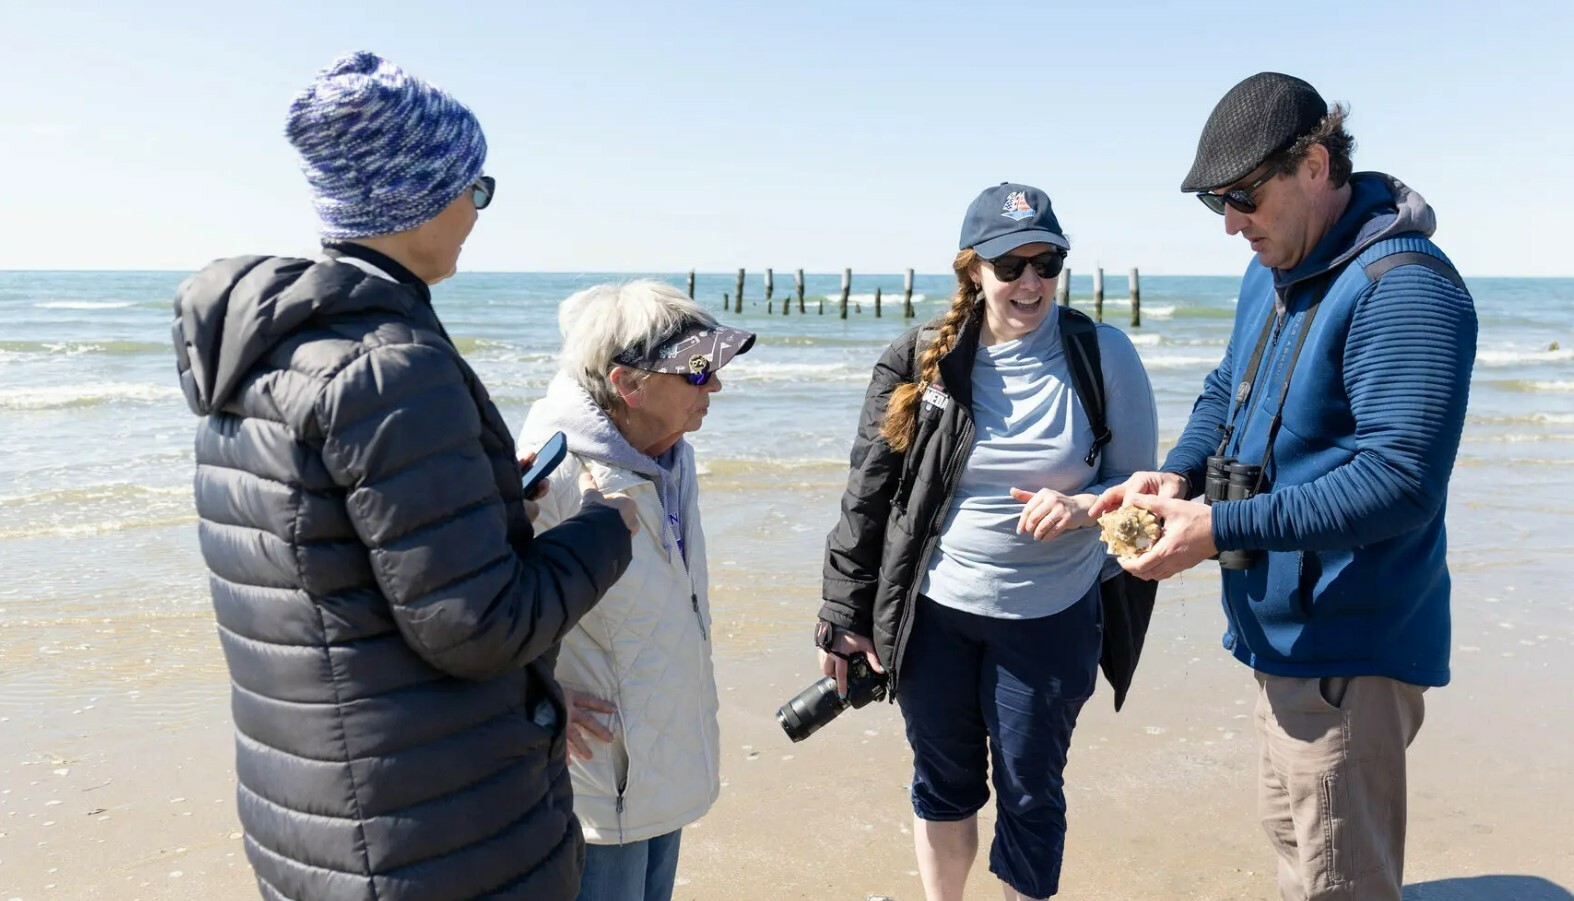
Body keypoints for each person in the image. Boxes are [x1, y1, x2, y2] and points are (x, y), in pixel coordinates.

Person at [171, 51, 639, 901]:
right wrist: (606, 530)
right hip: (437, 837)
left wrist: (495, 500)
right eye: (474, 187)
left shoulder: (257, 360)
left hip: (315, 817)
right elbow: (479, 624)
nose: (477, 211)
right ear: (415, 196)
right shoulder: (391, 364)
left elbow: (337, 569)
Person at [1092, 73, 1478, 901]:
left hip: (1348, 653)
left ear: (1313, 163)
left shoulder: (1405, 288)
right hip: (1282, 640)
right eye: (1214, 204)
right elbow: (1223, 390)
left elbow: (1400, 481)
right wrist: (1179, 472)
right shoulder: (1275, 268)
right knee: (1300, 866)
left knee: (1341, 881)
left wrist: (1220, 526)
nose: (1230, 223)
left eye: (1240, 196)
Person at [817, 183, 1158, 901]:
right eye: (1010, 266)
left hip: (1053, 618)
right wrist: (841, 614)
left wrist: (1086, 505)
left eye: (1046, 262)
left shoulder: (1104, 357)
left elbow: (1146, 498)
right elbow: (867, 493)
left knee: (1031, 794)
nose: (1030, 282)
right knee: (942, 784)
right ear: (974, 270)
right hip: (934, 614)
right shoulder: (920, 361)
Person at [518, 280, 755, 901]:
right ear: (628, 384)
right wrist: (532, 695)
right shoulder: (551, 473)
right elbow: (472, 616)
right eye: (698, 373)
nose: (717, 387)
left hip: (660, 756)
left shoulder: (672, 457)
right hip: (595, 776)